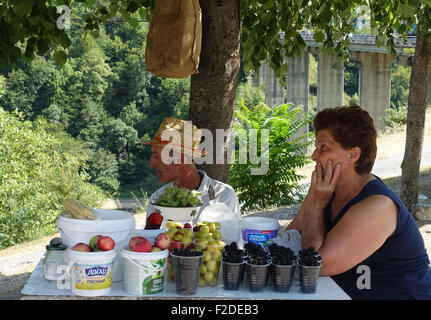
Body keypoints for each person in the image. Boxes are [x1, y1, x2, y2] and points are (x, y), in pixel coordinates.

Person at [285, 106, 431, 299]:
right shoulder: (326, 189)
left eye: (323, 147)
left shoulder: (378, 206)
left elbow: (317, 265)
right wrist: (315, 201)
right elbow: (290, 236)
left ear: (353, 155)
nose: (314, 155)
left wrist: (317, 204)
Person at [141, 117, 241, 223]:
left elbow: (232, 238)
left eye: (156, 155)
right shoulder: (157, 200)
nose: (151, 164)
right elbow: (151, 237)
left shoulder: (223, 196)